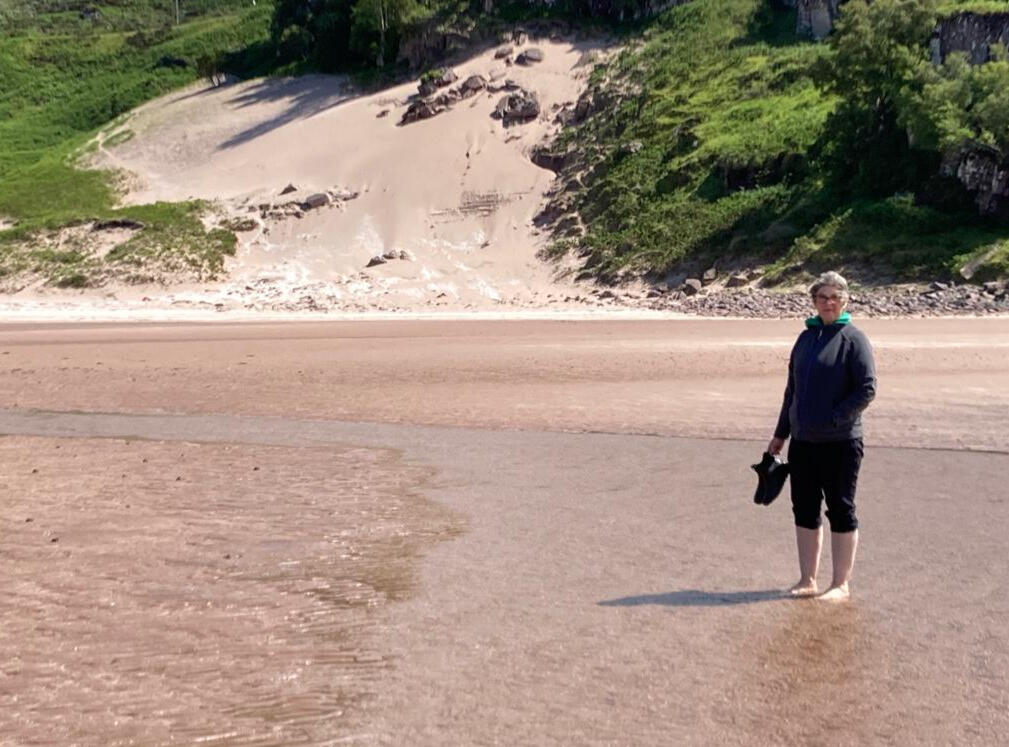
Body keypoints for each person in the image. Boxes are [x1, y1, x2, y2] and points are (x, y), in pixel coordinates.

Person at [767, 271, 876, 601]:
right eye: (822, 297)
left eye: (834, 297)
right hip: (802, 442)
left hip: (841, 442)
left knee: (841, 508)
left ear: (844, 301)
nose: (828, 303)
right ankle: (807, 580)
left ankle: (840, 584)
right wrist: (780, 434)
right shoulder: (805, 339)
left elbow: (866, 389)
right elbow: (792, 391)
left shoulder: (854, 339)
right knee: (804, 508)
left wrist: (833, 419)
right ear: (814, 301)